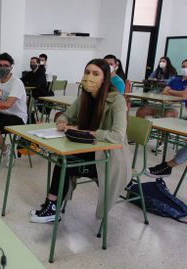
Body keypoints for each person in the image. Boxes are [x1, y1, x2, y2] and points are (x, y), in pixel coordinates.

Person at [30, 59, 131, 223]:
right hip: (88, 149)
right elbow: (65, 115)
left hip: (109, 157)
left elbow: (118, 136)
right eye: (87, 72)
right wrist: (62, 122)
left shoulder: (117, 100)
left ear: (105, 79)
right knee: (63, 159)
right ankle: (52, 206)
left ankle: (52, 207)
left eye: (95, 74)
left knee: (65, 163)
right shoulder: (85, 96)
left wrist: (86, 132)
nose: (89, 77)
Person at [21, 56, 50, 122]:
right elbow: (22, 80)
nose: (32, 64)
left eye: (33, 62)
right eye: (30, 62)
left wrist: (26, 84)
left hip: (41, 95)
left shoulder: (41, 73)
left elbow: (37, 84)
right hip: (33, 94)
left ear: (38, 64)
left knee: (28, 101)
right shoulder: (30, 73)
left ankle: (30, 118)